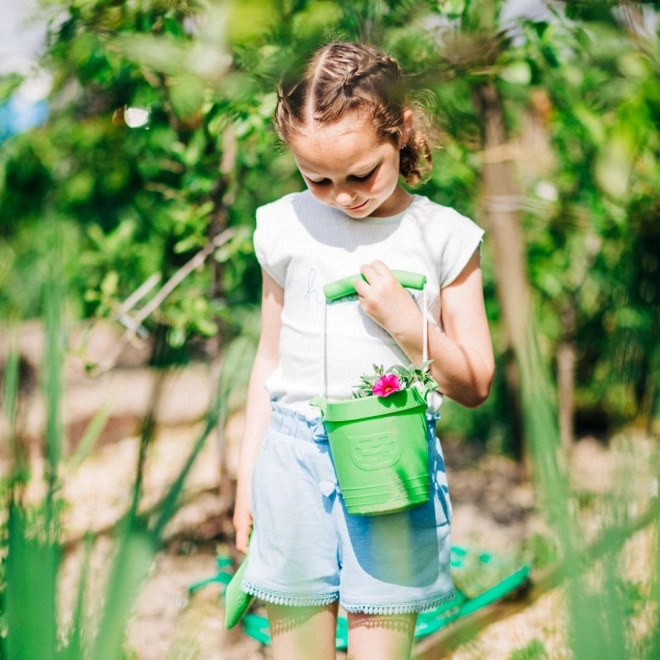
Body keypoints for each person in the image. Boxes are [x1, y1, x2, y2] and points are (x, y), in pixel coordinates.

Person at [233, 41, 494, 660]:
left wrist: (410, 325)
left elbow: (476, 381)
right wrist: (249, 478)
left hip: (388, 458)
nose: (343, 196)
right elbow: (268, 362)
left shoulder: (444, 237)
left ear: (400, 133)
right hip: (290, 462)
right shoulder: (282, 226)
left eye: (361, 174)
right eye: (316, 178)